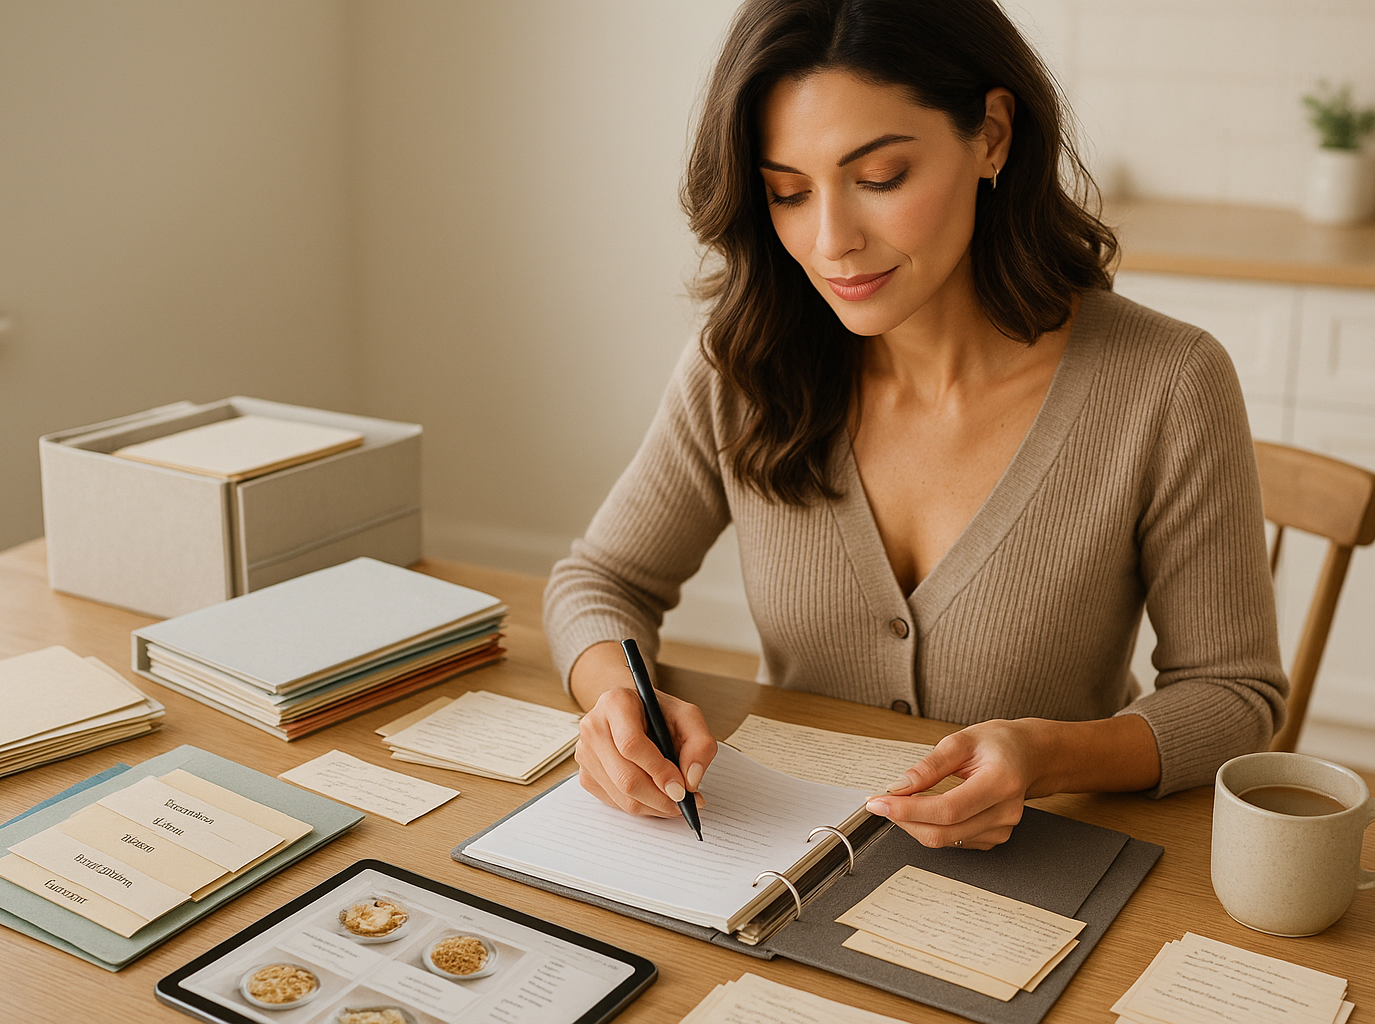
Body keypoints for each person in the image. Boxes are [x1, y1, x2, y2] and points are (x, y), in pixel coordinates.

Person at [544, 0, 1286, 850]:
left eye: (880, 178)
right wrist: (617, 701)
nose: (831, 241)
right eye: (788, 192)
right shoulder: (746, 363)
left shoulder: (1167, 382)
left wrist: (1047, 757)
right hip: (777, 859)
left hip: (1038, 865)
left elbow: (1233, 694)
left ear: (992, 136)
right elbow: (600, 581)